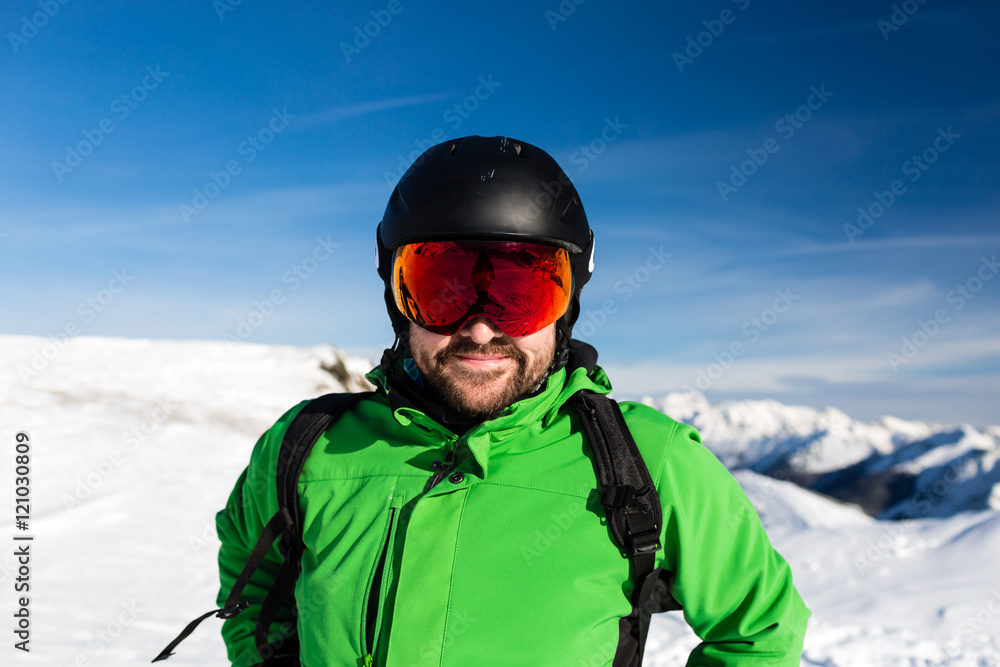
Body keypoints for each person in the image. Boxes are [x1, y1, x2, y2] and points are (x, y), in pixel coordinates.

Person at [214, 135, 810, 666]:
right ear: (398, 300)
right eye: (440, 290)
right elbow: (252, 584)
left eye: (520, 294)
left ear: (568, 305)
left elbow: (760, 632)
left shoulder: (652, 461)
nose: (478, 329)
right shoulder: (305, 446)